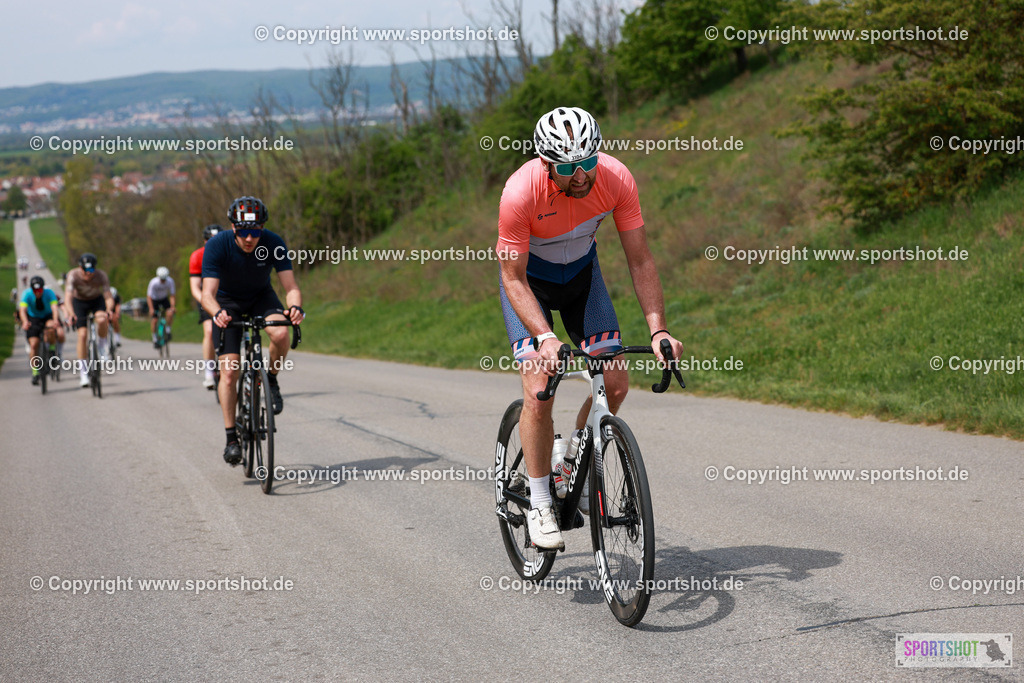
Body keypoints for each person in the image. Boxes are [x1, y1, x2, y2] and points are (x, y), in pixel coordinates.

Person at [496, 106, 684, 550]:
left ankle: (575, 460)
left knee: (615, 383)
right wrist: (544, 337)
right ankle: (541, 501)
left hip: (583, 279)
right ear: (546, 163)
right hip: (530, 287)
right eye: (567, 167)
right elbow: (512, 277)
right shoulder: (519, 193)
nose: (580, 176)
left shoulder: (616, 178)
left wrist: (658, 329)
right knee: (540, 384)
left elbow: (640, 259)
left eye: (587, 162)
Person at [202, 196, 304, 465]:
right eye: (244, 231)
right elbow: (207, 295)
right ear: (233, 227)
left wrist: (294, 309)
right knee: (229, 372)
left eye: (255, 231)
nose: (249, 238)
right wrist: (217, 313)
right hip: (227, 303)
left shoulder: (273, 242)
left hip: (261, 297)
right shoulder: (216, 245)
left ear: (262, 228)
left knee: (281, 333)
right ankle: (231, 438)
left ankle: (270, 379)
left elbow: (291, 288)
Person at [64, 253, 116, 388]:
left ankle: (102, 346)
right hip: (79, 302)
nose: (88, 273)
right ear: (80, 268)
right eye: (85, 270)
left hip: (96, 301)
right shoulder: (73, 275)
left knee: (102, 319)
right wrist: (71, 314)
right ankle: (83, 373)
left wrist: (109, 309)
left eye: (91, 270)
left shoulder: (101, 275)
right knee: (82, 335)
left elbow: (108, 296)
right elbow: (68, 298)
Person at [189, 224, 221, 388]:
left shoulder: (228, 252)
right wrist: (205, 300)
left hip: (225, 295)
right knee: (209, 331)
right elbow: (195, 286)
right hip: (205, 296)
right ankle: (209, 371)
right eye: (210, 241)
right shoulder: (197, 256)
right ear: (204, 241)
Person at [19, 275, 62, 385]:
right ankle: (35, 372)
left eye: (40, 290)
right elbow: (23, 310)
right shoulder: (27, 294)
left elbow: (54, 308)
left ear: (43, 288)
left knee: (51, 327)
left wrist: (56, 320)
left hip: (47, 316)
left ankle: (52, 350)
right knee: (34, 344)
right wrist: (24, 322)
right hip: (33, 318)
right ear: (32, 289)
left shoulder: (49, 293)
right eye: (35, 290)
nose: (38, 292)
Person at [147, 267, 176, 347]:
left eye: (164, 279)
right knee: (155, 320)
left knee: (170, 313)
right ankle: (155, 338)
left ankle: (168, 330)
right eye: (161, 279)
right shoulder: (153, 283)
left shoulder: (170, 281)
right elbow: (149, 297)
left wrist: (173, 306)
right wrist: (151, 308)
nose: (163, 281)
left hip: (164, 299)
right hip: (154, 300)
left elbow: (172, 295)